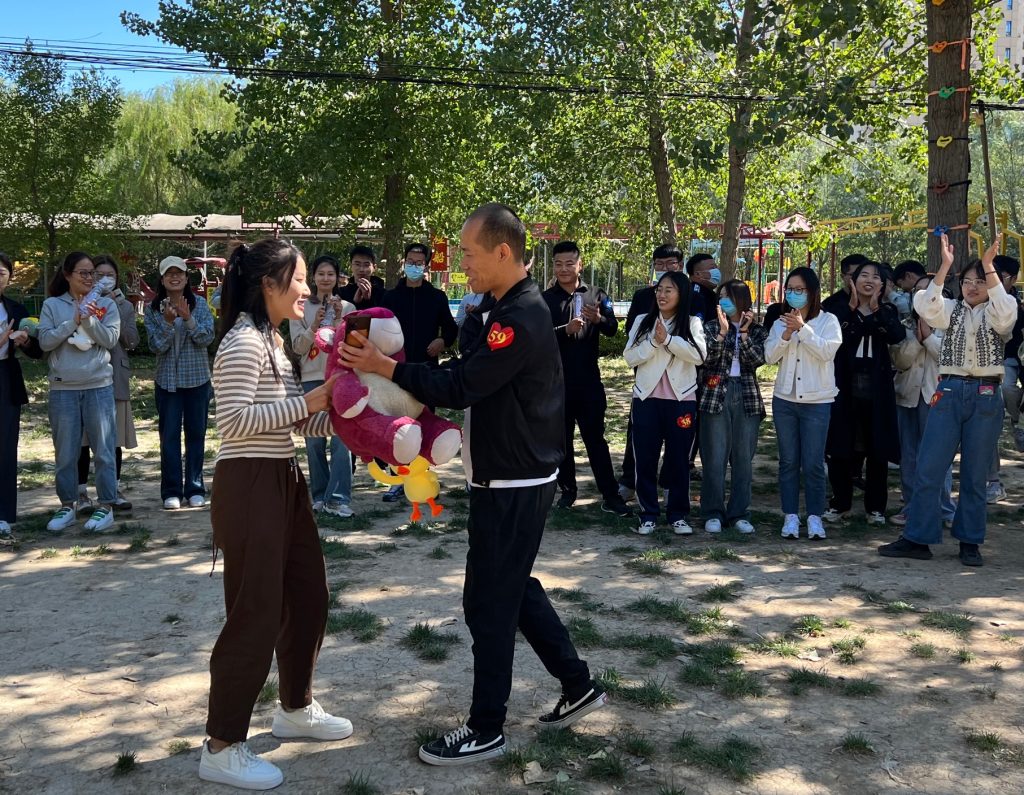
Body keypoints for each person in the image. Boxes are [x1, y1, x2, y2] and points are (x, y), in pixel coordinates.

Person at [341, 203, 607, 766]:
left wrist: (388, 370)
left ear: (503, 252)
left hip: (515, 477)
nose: (460, 263)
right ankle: (578, 683)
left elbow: (464, 384)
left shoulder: (521, 315)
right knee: (511, 588)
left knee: (487, 603)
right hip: (507, 473)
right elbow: (467, 372)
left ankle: (487, 727)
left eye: (467, 253)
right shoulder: (502, 308)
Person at [200, 239, 351, 790]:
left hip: (283, 478)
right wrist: (310, 402)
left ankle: (295, 707)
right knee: (255, 613)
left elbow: (295, 421)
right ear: (269, 283)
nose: (307, 289)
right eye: (300, 279)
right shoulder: (242, 342)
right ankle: (221, 745)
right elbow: (235, 422)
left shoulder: (271, 338)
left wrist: (355, 419)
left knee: (308, 595)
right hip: (249, 483)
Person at [880, 235, 1016, 567]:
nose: (972, 287)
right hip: (950, 390)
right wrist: (944, 267)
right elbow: (925, 305)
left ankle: (970, 541)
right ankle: (918, 538)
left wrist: (988, 265)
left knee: (974, 473)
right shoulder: (951, 310)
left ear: (992, 283)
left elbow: (1005, 314)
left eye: (980, 281)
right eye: (967, 281)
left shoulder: (1001, 310)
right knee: (929, 467)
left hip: (986, 393)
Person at [541, 241, 631, 516]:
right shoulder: (545, 299)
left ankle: (610, 495)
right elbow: (537, 337)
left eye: (570, 263)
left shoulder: (596, 294)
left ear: (580, 265)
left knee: (596, 440)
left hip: (589, 382)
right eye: (558, 264)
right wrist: (564, 330)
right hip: (557, 384)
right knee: (562, 441)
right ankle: (568, 490)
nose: (564, 269)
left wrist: (600, 319)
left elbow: (613, 329)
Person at [38, 252, 121, 533]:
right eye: (83, 273)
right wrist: (73, 320)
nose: (89, 278)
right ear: (67, 275)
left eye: (92, 274)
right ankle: (68, 505)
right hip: (63, 389)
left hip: (99, 386)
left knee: (104, 451)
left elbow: (111, 339)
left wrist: (89, 319)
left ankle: (106, 505)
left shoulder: (106, 304)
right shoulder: (52, 305)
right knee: (65, 453)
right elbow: (45, 341)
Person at [624, 270, 707, 535]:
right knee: (645, 459)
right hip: (646, 398)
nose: (662, 294)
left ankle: (677, 514)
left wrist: (669, 340)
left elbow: (699, 356)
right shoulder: (643, 321)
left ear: (682, 294)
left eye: (669, 290)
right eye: (659, 289)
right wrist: (653, 342)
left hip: (681, 400)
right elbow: (630, 357)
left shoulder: (692, 322)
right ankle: (648, 514)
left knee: (679, 460)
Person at [824, 261, 905, 525]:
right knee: (841, 446)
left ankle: (876, 508)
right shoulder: (838, 309)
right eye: (864, 275)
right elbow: (840, 338)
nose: (869, 280)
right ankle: (840, 503)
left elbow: (896, 336)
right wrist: (854, 311)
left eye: (876, 277)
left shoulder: (887, 310)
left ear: (883, 284)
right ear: (853, 281)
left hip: (877, 388)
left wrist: (875, 309)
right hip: (844, 386)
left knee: (877, 449)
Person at [764, 267, 842, 540]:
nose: (794, 294)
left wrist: (803, 329)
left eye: (800, 290)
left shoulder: (828, 320)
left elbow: (827, 352)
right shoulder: (779, 323)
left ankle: (815, 516)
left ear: (812, 292)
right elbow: (770, 357)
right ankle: (790, 515)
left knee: (813, 462)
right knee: (788, 461)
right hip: (784, 400)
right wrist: (787, 333)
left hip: (817, 401)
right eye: (790, 289)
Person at [379, 243, 459, 502]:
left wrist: (442, 341)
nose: (414, 266)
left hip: (426, 372)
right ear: (404, 263)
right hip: (396, 371)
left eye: (419, 262)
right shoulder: (390, 297)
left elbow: (451, 329)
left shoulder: (437, 297)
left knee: (424, 424)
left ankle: (422, 479)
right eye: (410, 261)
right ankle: (398, 480)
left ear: (426, 266)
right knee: (398, 427)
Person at [144, 256, 215, 510]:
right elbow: (155, 346)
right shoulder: (153, 309)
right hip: (168, 383)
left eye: (179, 273)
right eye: (169, 274)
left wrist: (188, 319)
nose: (175, 277)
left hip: (197, 380)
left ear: (186, 278)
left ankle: (195, 488)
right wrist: (167, 323)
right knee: (169, 438)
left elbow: (206, 339)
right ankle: (171, 491)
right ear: (162, 279)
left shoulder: (200, 305)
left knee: (196, 435)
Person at [289, 254, 356, 517]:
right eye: (321, 274)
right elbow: (298, 348)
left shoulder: (348, 308)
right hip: (311, 378)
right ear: (313, 277)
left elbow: (352, 345)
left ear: (338, 277)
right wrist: (314, 325)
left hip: (341, 378)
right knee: (314, 440)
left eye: (331, 274)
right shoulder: (299, 307)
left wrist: (339, 320)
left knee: (342, 438)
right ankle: (319, 495)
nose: (326, 279)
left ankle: (338, 498)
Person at [699, 280, 767, 534]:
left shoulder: (758, 330)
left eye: (729, 296)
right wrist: (723, 333)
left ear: (742, 299)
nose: (724, 301)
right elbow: (707, 359)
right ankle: (713, 512)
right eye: (721, 296)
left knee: (743, 459)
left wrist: (744, 333)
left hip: (747, 394)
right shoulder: (710, 327)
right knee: (714, 457)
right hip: (715, 393)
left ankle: (739, 513)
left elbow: (756, 360)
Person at [889, 275, 957, 527]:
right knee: (909, 456)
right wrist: (917, 341)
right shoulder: (907, 325)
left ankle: (944, 509)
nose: (922, 297)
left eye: (928, 292)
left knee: (938, 456)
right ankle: (912, 507)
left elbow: (950, 359)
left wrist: (928, 338)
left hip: (937, 398)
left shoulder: (953, 325)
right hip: (908, 396)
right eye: (916, 292)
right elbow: (900, 360)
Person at [619, 244, 684, 500]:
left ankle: (669, 483)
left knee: (677, 437)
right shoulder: (643, 296)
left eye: (670, 263)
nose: (664, 268)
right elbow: (632, 335)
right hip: (647, 374)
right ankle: (630, 480)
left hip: (680, 378)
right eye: (659, 264)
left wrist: (669, 343)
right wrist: (652, 343)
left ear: (680, 265)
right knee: (639, 432)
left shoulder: (693, 296)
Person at [77, 255, 138, 512]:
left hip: (115, 377)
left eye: (109, 275)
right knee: (82, 439)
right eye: (98, 274)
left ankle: (113, 488)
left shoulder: (125, 306)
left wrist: (114, 309)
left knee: (114, 437)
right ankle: (81, 493)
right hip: (85, 375)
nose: (103, 279)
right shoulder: (80, 302)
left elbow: (132, 341)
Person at [0, 253, 43, 538]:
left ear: (9, 278)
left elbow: (37, 351)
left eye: (2, 273)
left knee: (5, 446)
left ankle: (3, 514)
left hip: (6, 379)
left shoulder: (16, 308)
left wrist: (25, 342)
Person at [985, 253, 1024, 501]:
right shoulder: (978, 302)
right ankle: (991, 481)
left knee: (1008, 388)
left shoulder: (1017, 306)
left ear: (1013, 279)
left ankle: (1016, 421)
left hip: (1010, 362)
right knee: (986, 427)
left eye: (1001, 276)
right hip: (983, 370)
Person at [337, 245, 386, 310]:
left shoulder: (384, 294)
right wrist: (354, 302)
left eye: (366, 265)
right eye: (357, 264)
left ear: (374, 268)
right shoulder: (341, 293)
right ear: (351, 266)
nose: (361, 269)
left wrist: (368, 300)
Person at [684, 253, 721, 320]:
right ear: (697, 274)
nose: (717, 271)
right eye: (712, 268)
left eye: (716, 267)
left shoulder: (710, 294)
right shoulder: (694, 296)